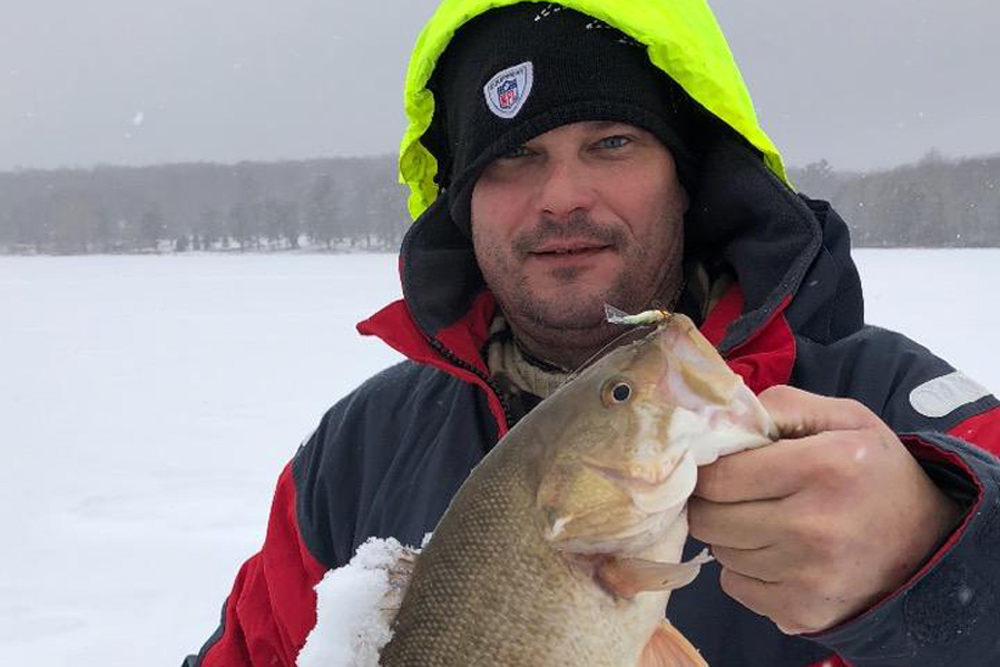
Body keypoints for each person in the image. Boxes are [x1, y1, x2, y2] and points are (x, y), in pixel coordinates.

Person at [184, 1, 1000, 665]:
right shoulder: (359, 449)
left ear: (689, 178)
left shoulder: (902, 412)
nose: (561, 196)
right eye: (512, 159)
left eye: (611, 142)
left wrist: (943, 556)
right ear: (462, 204)